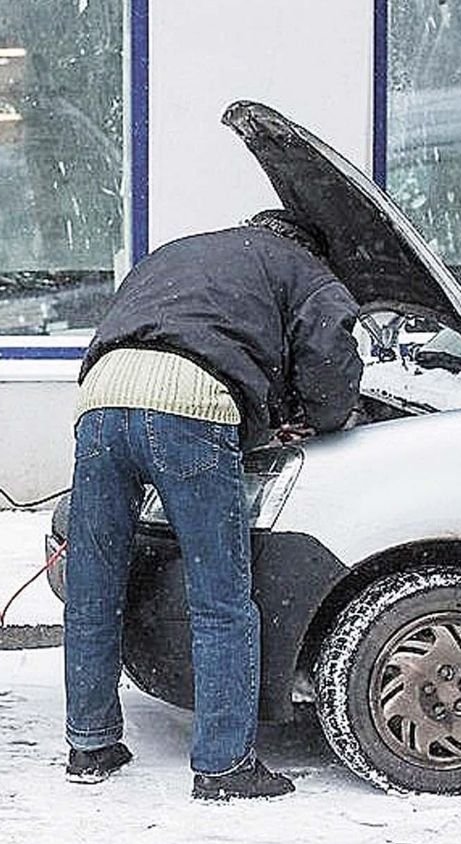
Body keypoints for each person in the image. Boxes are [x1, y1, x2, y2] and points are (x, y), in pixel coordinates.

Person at [62, 209, 362, 800]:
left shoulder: (182, 248)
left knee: (95, 585)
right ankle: (225, 766)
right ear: (304, 243)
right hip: (190, 406)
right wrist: (325, 418)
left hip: (100, 402)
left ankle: (90, 744)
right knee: (221, 597)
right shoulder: (296, 263)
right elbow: (330, 350)